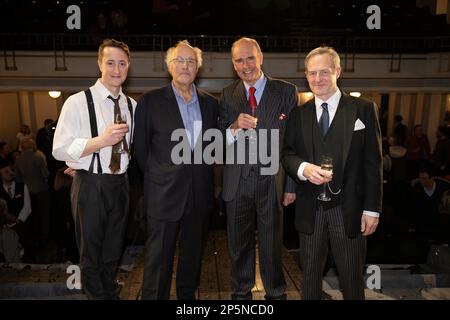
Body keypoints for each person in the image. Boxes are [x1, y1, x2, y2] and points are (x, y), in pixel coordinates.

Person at [282, 46, 382, 300]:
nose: (317, 79)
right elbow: (287, 154)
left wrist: (372, 209)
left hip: (348, 209)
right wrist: (303, 169)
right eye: (312, 73)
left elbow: (373, 162)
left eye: (324, 72)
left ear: (337, 71)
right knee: (310, 279)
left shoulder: (363, 109)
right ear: (306, 76)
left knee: (351, 278)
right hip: (310, 208)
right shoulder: (298, 114)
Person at [134, 40, 218, 300]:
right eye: (180, 61)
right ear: (169, 66)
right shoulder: (150, 101)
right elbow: (141, 150)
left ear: (198, 68)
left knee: (192, 257)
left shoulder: (211, 104)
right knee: (159, 259)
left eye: (191, 61)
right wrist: (162, 175)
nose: (185, 65)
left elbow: (212, 147)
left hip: (199, 193)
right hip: (163, 193)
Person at [52, 39, 135, 299]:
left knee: (114, 249)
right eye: (110, 63)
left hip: (120, 183)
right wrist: (100, 142)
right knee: (91, 252)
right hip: (91, 184)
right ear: (100, 64)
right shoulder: (76, 102)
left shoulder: (132, 105)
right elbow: (59, 149)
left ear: (128, 67)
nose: (116, 69)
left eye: (122, 63)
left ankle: (108, 291)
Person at [218, 37, 297, 300]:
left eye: (250, 57)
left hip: (272, 181)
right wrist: (233, 127)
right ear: (233, 64)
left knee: (271, 244)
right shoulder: (228, 94)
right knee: (238, 244)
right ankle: (241, 294)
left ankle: (275, 294)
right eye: (239, 60)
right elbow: (218, 142)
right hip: (237, 180)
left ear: (260, 57)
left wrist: (290, 186)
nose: (245, 65)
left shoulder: (286, 91)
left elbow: (293, 142)